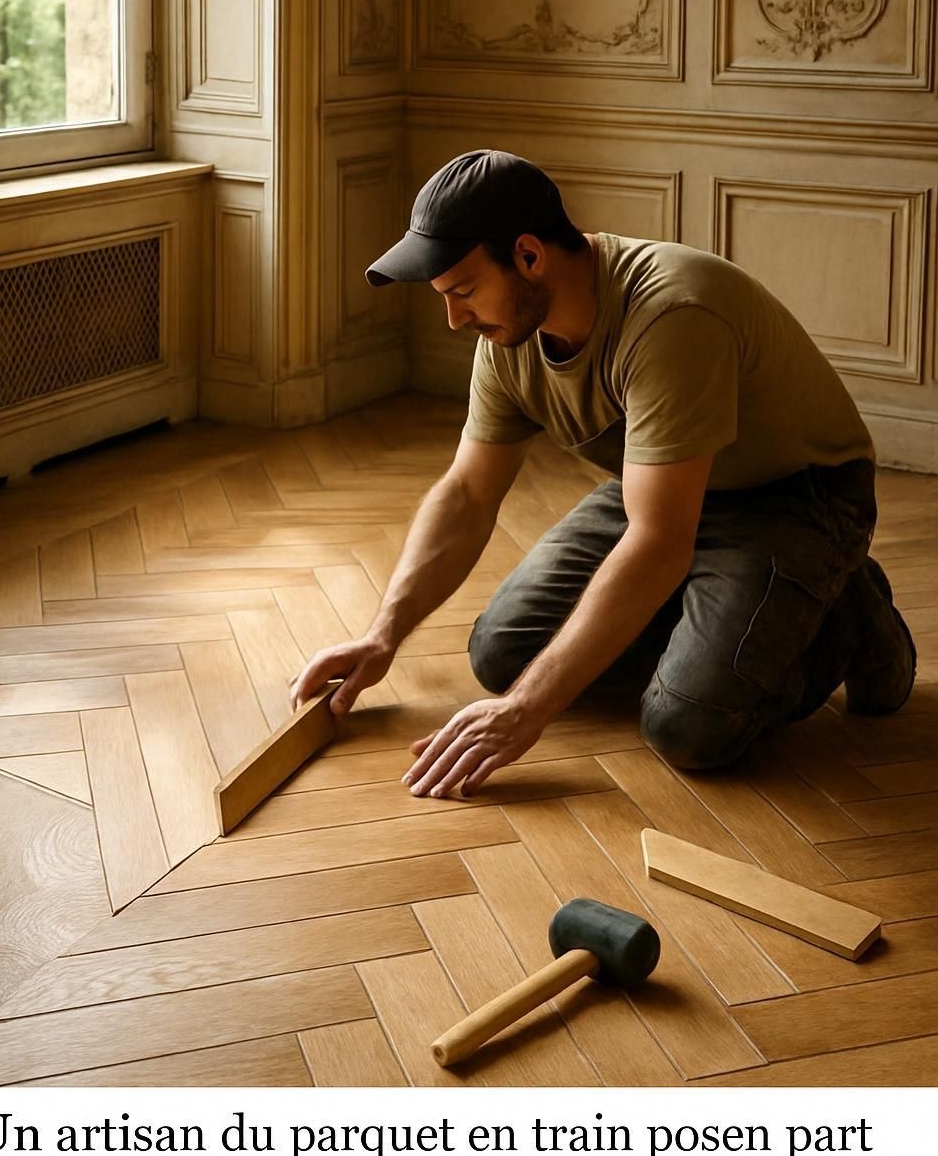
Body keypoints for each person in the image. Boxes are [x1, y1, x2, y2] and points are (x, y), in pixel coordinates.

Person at [289, 150, 916, 798]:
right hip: (662, 489)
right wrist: (381, 635)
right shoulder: (508, 339)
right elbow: (468, 493)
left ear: (529, 256)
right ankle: (731, 607)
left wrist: (528, 710)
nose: (455, 321)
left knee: (691, 725)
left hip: (798, 499)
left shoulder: (672, 315)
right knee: (503, 653)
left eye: (464, 292)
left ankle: (849, 612)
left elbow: (657, 539)